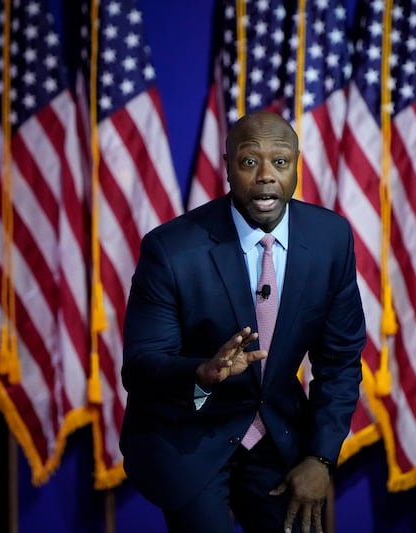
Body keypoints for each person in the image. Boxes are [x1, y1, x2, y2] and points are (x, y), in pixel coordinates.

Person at [119, 111, 366, 533]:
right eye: (250, 162)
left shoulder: (331, 239)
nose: (266, 176)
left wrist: (320, 457)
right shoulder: (172, 249)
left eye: (281, 162)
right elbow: (141, 365)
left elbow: (339, 361)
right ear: (228, 167)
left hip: (279, 436)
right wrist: (201, 373)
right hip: (190, 436)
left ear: (296, 166)